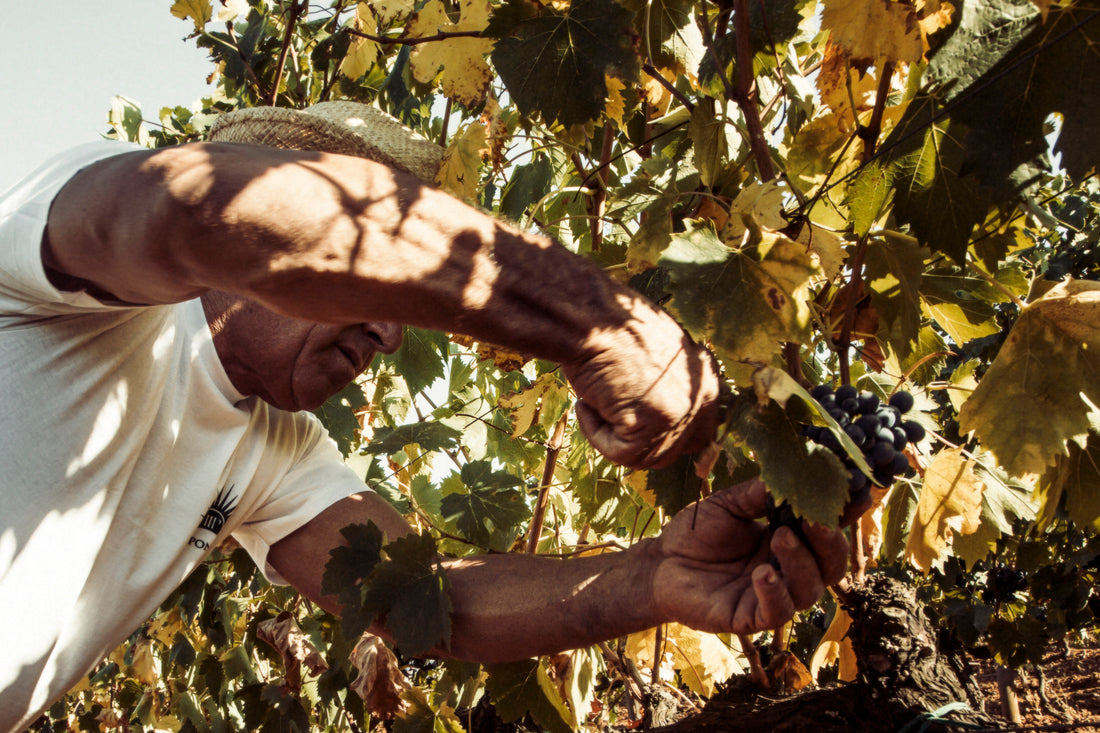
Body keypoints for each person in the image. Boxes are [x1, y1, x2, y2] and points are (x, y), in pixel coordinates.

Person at [0, 101, 848, 732]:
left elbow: (427, 602)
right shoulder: (81, 281)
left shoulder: (273, 450)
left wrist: (654, 575)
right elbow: (193, 205)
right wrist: (593, 318)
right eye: (380, 273)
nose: (391, 327)